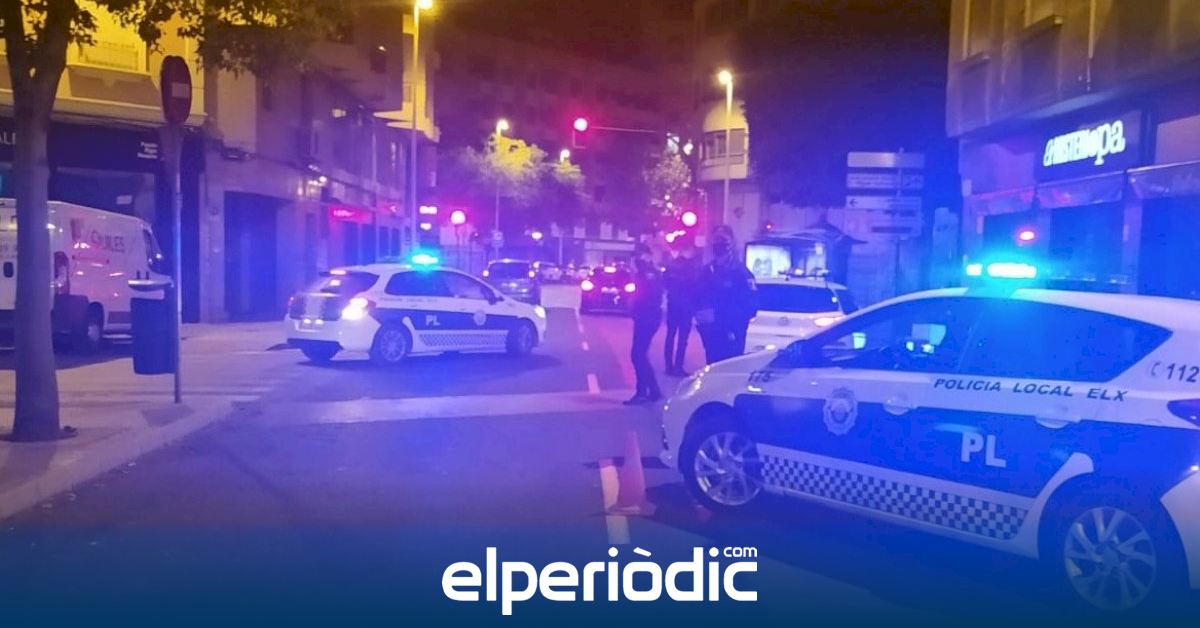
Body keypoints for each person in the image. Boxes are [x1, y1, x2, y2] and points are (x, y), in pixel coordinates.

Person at [695, 226, 758, 364]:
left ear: (731, 243)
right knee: (712, 368)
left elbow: (751, 304)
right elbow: (696, 298)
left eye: (723, 239)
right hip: (711, 332)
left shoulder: (741, 273)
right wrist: (701, 321)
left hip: (731, 331)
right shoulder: (706, 271)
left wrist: (732, 322)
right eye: (716, 239)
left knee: (729, 368)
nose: (718, 243)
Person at [624, 243, 664, 405]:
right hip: (646, 316)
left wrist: (634, 304)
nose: (637, 259)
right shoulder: (648, 272)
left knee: (637, 354)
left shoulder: (647, 273)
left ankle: (643, 392)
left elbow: (646, 295)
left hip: (647, 317)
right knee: (640, 354)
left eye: (640, 255)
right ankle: (653, 391)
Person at [662, 246, 699, 377]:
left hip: (673, 305)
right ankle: (678, 366)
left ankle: (668, 366)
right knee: (683, 338)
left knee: (670, 336)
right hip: (686, 308)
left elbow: (665, 284)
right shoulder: (691, 267)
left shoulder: (671, 266)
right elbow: (695, 287)